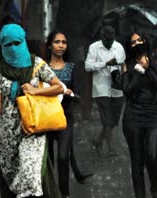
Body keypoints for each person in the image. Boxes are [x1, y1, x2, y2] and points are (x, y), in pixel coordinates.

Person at [0, 24, 63, 198]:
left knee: (31, 175)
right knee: (12, 181)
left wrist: (35, 90)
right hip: (7, 135)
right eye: (7, 44)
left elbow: (58, 87)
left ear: (23, 41)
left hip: (32, 129)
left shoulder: (37, 64)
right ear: (2, 46)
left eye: (17, 42)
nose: (13, 48)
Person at [45, 29, 92, 198]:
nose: (60, 45)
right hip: (45, 119)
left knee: (63, 157)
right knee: (47, 160)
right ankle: (48, 193)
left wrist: (68, 93)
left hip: (65, 117)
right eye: (57, 42)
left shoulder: (72, 68)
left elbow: (79, 95)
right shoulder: (42, 67)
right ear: (50, 45)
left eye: (64, 42)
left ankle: (64, 194)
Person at [122, 31, 157, 198]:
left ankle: (155, 190)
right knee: (137, 162)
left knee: (152, 156)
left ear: (146, 41)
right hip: (133, 117)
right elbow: (127, 90)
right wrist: (139, 70)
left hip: (155, 115)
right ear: (129, 46)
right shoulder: (127, 64)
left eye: (140, 40)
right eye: (133, 42)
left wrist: (148, 69)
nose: (137, 44)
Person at [85, 25, 126, 155]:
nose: (110, 41)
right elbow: (88, 66)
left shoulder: (119, 47)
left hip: (117, 88)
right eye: (107, 39)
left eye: (112, 39)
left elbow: (123, 64)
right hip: (101, 87)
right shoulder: (94, 47)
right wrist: (105, 63)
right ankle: (110, 148)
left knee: (114, 120)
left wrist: (122, 75)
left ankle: (98, 140)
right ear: (102, 37)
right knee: (107, 118)